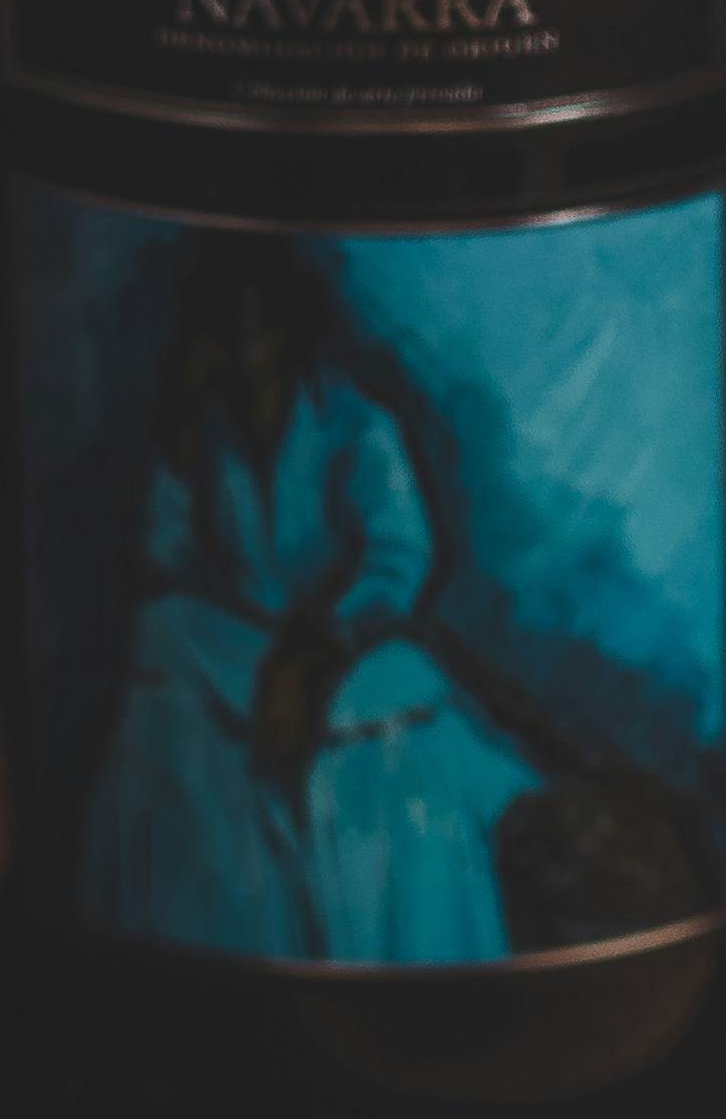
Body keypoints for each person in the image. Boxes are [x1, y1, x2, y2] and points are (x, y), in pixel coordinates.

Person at [75, 234, 540, 965]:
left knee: (387, 708)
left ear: (290, 326)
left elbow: (401, 556)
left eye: (260, 320)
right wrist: (177, 434)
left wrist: (316, 645)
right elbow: (162, 563)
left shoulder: (356, 423)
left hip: (348, 639)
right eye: (229, 322)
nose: (245, 339)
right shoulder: (204, 430)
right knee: (161, 636)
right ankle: (195, 925)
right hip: (243, 645)